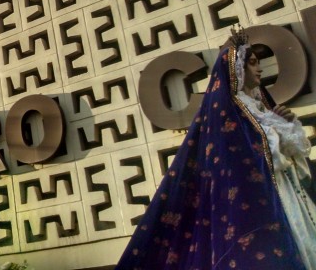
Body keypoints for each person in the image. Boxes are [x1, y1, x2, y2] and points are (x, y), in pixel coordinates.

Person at [116, 28, 316, 269]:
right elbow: (250, 157)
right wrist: (276, 131)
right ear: (237, 69)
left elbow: (289, 161)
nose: (259, 69)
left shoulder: (260, 108)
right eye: (252, 63)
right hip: (258, 201)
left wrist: (285, 124)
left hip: (286, 193)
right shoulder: (230, 113)